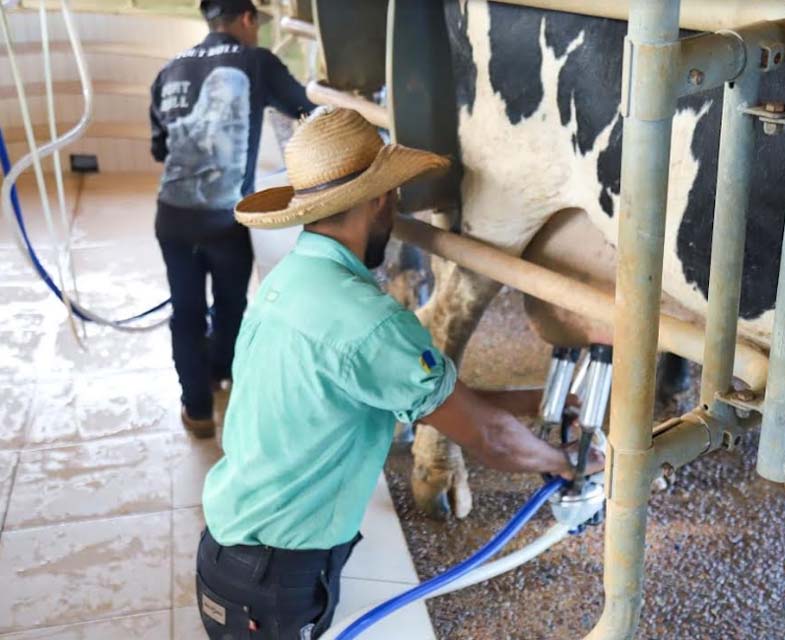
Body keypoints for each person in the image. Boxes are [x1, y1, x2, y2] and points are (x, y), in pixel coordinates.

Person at [195, 108, 605, 639]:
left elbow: (443, 402)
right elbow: (487, 438)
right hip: (276, 580)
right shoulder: (369, 322)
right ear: (382, 199)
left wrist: (538, 400)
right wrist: (570, 465)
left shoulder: (289, 282)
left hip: (231, 554)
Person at [149, 0, 316, 438]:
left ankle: (197, 410)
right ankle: (223, 373)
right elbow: (307, 109)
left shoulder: (170, 70)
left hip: (173, 218)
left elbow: (160, 151)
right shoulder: (256, 61)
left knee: (185, 313)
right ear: (247, 20)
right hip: (225, 221)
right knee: (231, 304)